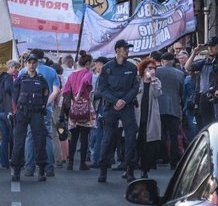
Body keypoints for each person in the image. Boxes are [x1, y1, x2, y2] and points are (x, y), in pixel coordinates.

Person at [95, 39, 141, 183]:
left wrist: (124, 101)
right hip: (111, 107)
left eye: (128, 48)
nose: (128, 51)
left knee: (131, 137)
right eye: (125, 48)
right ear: (117, 50)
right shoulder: (107, 68)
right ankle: (103, 170)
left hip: (126, 107)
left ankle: (129, 170)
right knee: (108, 138)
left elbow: (135, 88)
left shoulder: (132, 68)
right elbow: (102, 88)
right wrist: (115, 101)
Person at [10, 53, 52, 182]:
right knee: (18, 142)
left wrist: (42, 107)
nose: (32, 65)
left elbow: (46, 95)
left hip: (36, 113)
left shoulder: (41, 80)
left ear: (37, 64)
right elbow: (14, 95)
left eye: (34, 62)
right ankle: (16, 170)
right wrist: (16, 111)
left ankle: (42, 170)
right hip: (22, 113)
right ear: (26, 64)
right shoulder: (21, 79)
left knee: (40, 141)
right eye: (30, 62)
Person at [23, 49, 62, 177]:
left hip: (29, 110)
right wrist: (46, 103)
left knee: (30, 137)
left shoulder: (24, 71)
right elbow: (56, 91)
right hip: (46, 109)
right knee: (48, 137)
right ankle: (49, 168)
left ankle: (29, 168)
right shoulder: (51, 71)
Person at [63, 50, 96, 170]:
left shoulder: (72, 75)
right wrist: (79, 94)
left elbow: (65, 91)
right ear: (87, 62)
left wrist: (73, 98)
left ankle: (70, 162)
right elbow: (84, 82)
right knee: (84, 137)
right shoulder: (88, 73)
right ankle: (82, 163)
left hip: (74, 107)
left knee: (74, 136)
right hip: (86, 106)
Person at [133, 57, 163, 178]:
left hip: (150, 117)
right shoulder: (137, 80)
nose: (152, 70)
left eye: (154, 68)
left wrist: (153, 80)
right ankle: (130, 167)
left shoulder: (156, 81)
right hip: (137, 116)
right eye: (149, 68)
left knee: (147, 145)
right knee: (134, 143)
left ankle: (144, 170)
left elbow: (158, 94)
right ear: (143, 68)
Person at [157, 51, 186, 168]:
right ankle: (173, 161)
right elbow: (182, 92)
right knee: (173, 136)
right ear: (173, 61)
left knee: (159, 134)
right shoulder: (180, 74)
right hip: (174, 107)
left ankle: (161, 157)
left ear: (162, 61)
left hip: (159, 107)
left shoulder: (157, 72)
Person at [0, 59, 19, 164]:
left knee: (5, 138)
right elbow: (9, 88)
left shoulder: (0, 78)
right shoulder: (8, 78)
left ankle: (4, 161)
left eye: (17, 68)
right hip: (7, 111)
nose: (17, 70)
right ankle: (13, 160)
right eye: (15, 68)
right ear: (9, 67)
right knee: (13, 137)